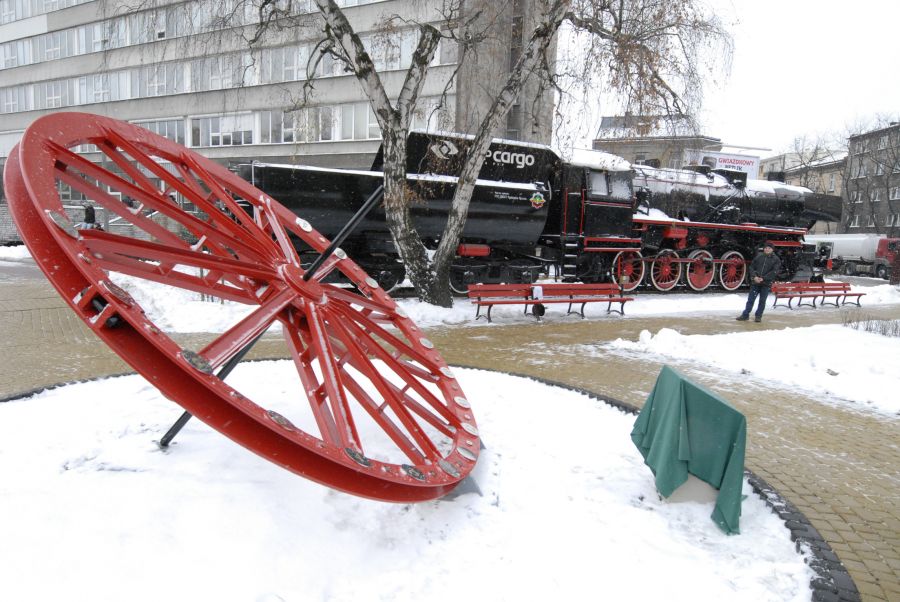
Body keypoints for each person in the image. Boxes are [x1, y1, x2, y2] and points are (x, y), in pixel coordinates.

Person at [736, 242, 782, 323]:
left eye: (769, 248)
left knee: (762, 301)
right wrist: (755, 277)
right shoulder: (759, 256)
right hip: (756, 282)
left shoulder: (776, 259)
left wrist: (763, 278)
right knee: (750, 300)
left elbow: (774, 271)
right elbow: (752, 267)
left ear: (772, 250)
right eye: (766, 248)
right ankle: (745, 315)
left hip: (766, 284)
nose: (767, 249)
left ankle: (758, 316)